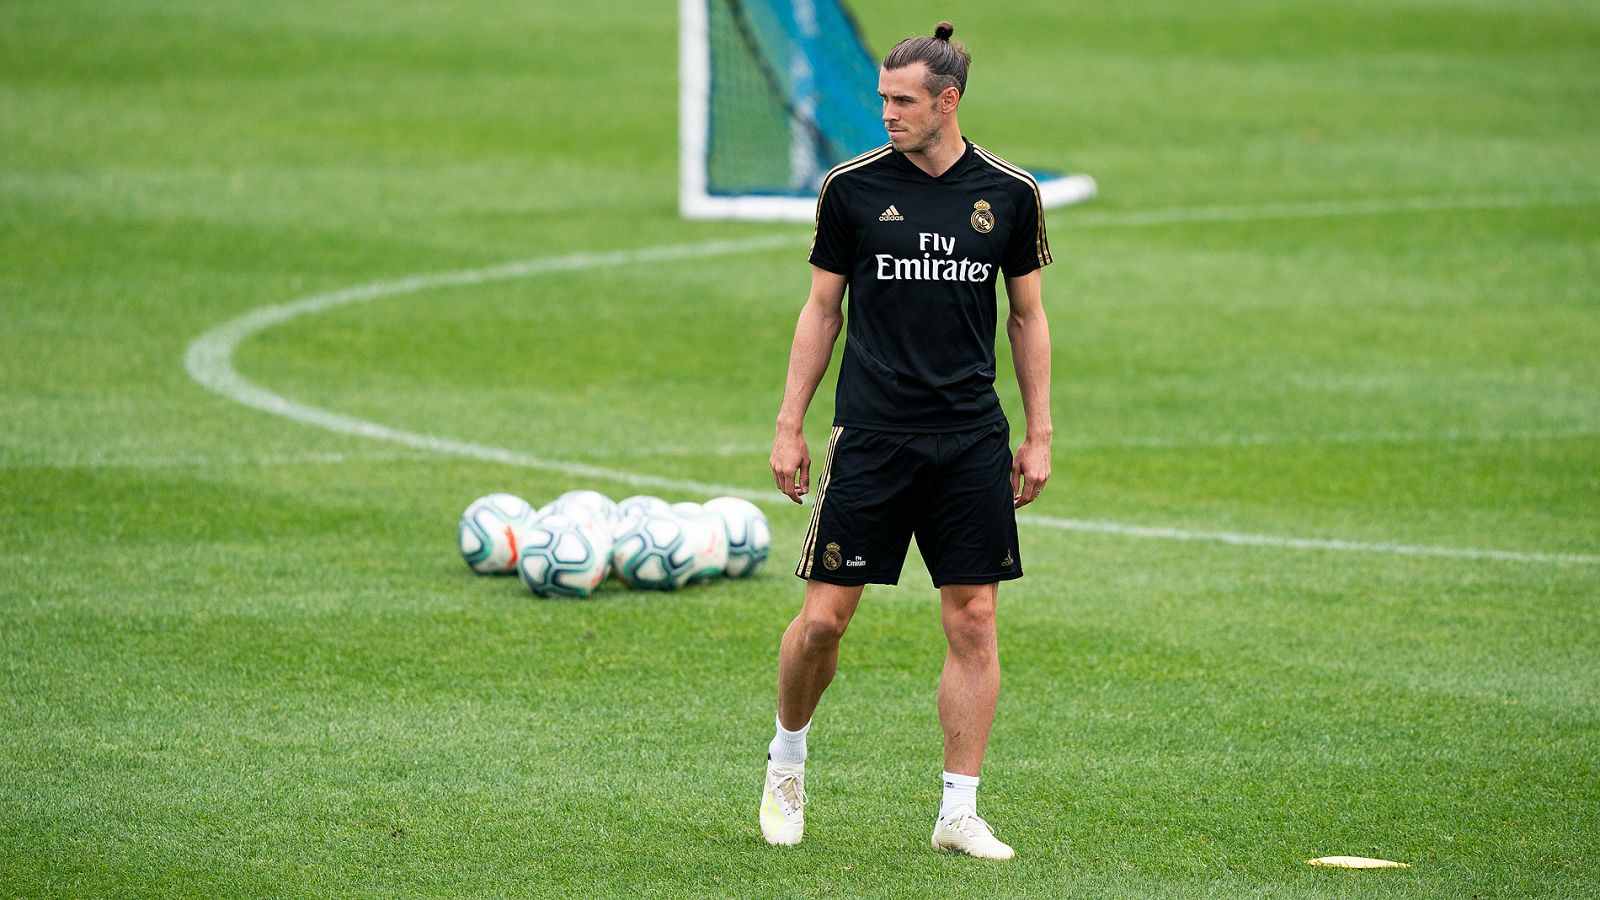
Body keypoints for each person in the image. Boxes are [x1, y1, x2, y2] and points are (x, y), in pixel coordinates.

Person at [761, 20, 1053, 860]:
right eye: (883, 98)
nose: (884, 111)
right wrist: (789, 425)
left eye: (901, 101)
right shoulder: (851, 188)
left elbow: (1028, 318)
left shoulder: (1009, 192)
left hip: (968, 442)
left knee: (974, 623)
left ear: (947, 102)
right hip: (871, 441)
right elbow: (822, 311)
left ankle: (957, 810)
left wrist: (1039, 434)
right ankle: (787, 759)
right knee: (822, 624)